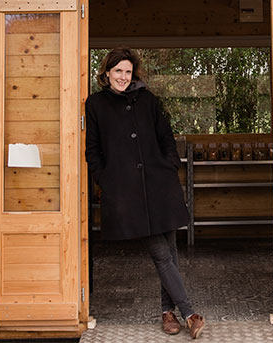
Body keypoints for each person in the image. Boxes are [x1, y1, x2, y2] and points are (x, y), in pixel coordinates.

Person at [85, 48, 206, 339]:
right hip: (127, 192)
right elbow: (93, 150)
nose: (123, 77)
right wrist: (107, 180)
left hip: (159, 185)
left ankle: (168, 314)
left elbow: (166, 136)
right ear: (106, 73)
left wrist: (169, 165)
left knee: (171, 251)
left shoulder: (148, 100)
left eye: (127, 72)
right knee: (161, 254)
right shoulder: (95, 104)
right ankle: (189, 313)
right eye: (118, 71)